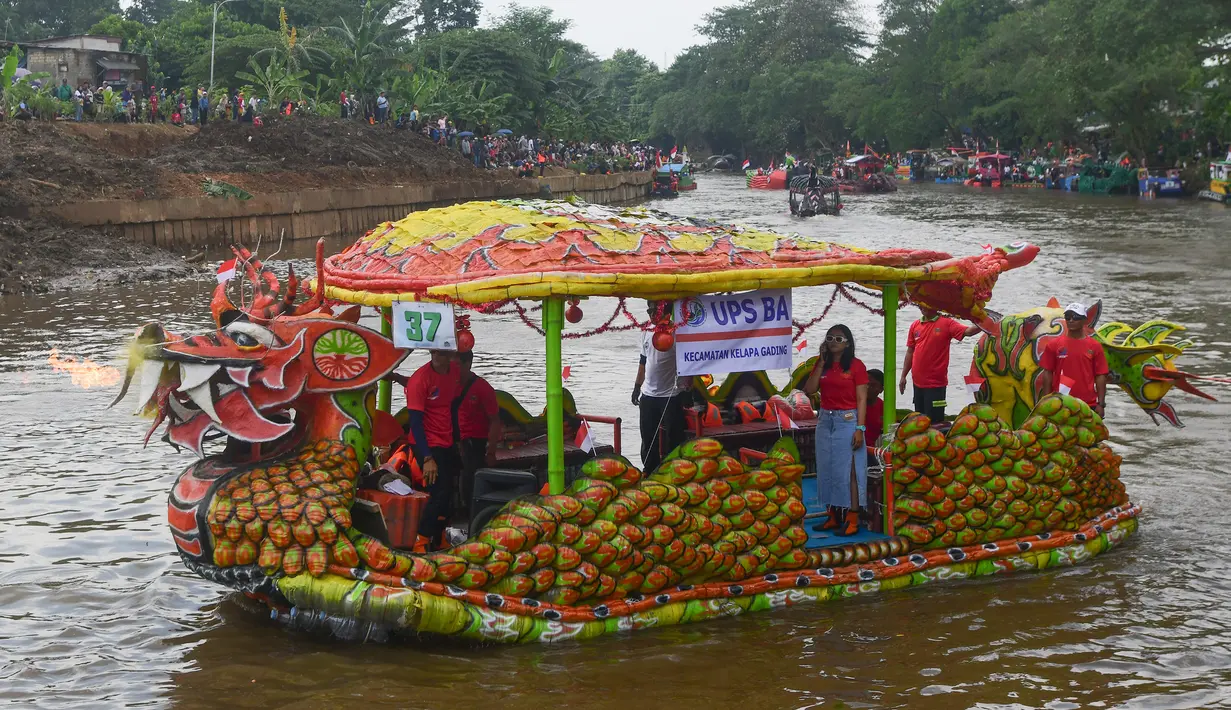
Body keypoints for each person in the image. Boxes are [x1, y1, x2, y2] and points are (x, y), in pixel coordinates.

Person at [389, 350, 463, 549]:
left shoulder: (454, 372)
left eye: (446, 354)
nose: (442, 358)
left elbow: (451, 407)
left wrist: (457, 440)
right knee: (438, 491)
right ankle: (420, 539)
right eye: (438, 353)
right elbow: (415, 423)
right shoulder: (420, 379)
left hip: (446, 439)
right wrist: (427, 457)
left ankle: (439, 536)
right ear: (431, 352)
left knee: (449, 493)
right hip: (427, 443)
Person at [803, 324, 868, 536]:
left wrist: (860, 428)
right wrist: (821, 363)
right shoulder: (823, 365)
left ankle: (853, 518)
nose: (833, 342)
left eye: (838, 339)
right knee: (826, 467)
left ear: (848, 343)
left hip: (847, 419)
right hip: (825, 418)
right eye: (830, 338)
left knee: (849, 469)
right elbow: (810, 390)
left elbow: (861, 399)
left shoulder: (856, 366)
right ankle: (832, 515)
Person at [632, 301, 691, 474]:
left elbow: (688, 362)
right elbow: (643, 360)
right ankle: (649, 470)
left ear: (665, 312)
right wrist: (637, 386)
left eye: (654, 311)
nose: (651, 314)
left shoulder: (677, 330)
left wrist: (689, 388)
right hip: (649, 394)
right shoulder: (646, 330)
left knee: (673, 437)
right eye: (649, 311)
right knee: (648, 437)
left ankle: (673, 470)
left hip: (672, 394)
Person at [899, 306, 980, 423]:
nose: (922, 307)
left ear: (935, 304)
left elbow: (968, 332)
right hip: (917, 383)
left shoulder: (946, 322)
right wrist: (903, 376)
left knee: (935, 423)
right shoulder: (915, 325)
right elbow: (910, 351)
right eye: (920, 304)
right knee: (919, 422)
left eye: (926, 304)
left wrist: (983, 322)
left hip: (936, 385)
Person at [452, 350, 503, 516]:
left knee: (469, 482)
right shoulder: (449, 383)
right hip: (452, 439)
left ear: (468, 364)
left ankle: (472, 515)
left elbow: (495, 420)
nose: (453, 368)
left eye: (457, 364)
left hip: (474, 443)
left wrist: (491, 452)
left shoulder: (483, 388)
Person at [1039, 303, 1109, 417]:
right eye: (1068, 317)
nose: (1071, 320)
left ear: (1084, 320)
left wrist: (1101, 404)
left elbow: (1100, 375)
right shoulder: (1054, 345)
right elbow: (1047, 372)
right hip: (1060, 402)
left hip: (1087, 404)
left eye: (1076, 317)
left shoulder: (1095, 346)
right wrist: (1046, 400)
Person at [865, 368, 884, 466]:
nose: (868, 388)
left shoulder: (883, 407)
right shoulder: (853, 403)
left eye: (873, 385)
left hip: (871, 450)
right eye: (866, 384)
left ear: (881, 389)